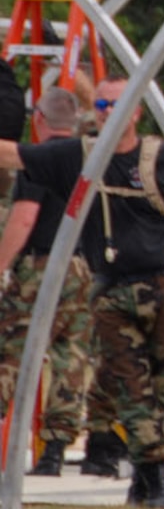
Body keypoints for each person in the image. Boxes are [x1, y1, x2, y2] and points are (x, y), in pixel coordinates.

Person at [1, 77, 164, 507]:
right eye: (102, 104)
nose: (107, 112)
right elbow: (13, 154)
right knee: (132, 387)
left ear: (136, 112)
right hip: (112, 292)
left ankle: (146, 481)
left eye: (116, 105)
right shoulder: (78, 156)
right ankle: (156, 479)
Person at [0, 88, 106, 479]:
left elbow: (25, 218)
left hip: (43, 265)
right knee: (71, 356)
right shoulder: (89, 160)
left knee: (10, 347)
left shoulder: (38, 160)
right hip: (84, 269)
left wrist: (1, 266)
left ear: (39, 120)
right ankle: (55, 451)